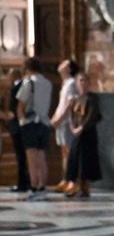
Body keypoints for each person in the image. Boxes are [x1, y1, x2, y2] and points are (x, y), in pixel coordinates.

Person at [15, 56, 52, 200]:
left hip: (30, 123)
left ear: (27, 68)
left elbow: (20, 106)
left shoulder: (29, 82)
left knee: (31, 158)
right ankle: (42, 187)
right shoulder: (48, 83)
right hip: (44, 122)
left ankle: (34, 188)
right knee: (41, 156)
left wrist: (22, 121)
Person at [64, 73, 100, 198]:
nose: (82, 83)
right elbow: (72, 115)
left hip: (88, 133)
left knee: (86, 161)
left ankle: (85, 188)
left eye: (85, 81)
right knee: (74, 159)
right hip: (77, 134)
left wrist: (82, 127)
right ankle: (74, 185)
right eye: (80, 81)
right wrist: (73, 127)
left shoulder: (92, 98)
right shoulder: (76, 99)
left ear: (89, 83)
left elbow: (92, 115)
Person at [48, 58, 80, 192]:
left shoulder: (72, 82)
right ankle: (65, 179)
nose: (60, 64)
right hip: (61, 122)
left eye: (64, 64)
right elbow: (61, 103)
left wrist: (60, 118)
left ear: (69, 69)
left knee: (70, 152)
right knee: (64, 153)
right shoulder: (65, 83)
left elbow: (70, 103)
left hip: (67, 122)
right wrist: (55, 117)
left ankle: (73, 181)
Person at [4, 69, 30, 192]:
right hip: (15, 125)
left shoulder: (19, 86)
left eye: (9, 75)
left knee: (22, 156)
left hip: (18, 126)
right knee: (22, 156)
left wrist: (11, 115)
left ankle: (23, 184)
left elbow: (19, 106)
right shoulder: (15, 86)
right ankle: (24, 183)